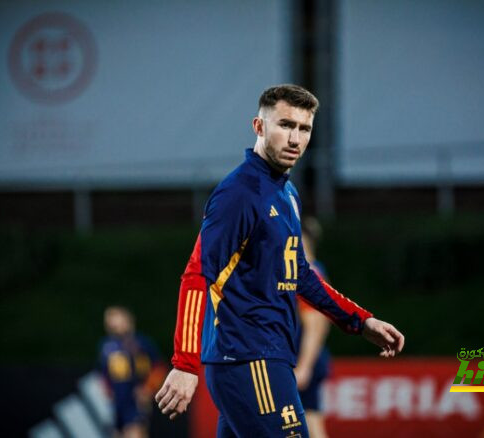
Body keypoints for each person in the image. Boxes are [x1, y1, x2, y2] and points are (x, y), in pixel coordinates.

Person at [155, 84, 404, 437]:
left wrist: (361, 321)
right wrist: (184, 363)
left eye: (304, 129)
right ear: (259, 127)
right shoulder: (239, 193)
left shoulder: (286, 193)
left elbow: (300, 275)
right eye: (285, 125)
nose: (295, 138)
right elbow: (198, 274)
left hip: (264, 356)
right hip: (249, 357)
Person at [99, 306, 166, 438]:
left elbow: (159, 368)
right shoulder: (106, 345)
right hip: (117, 401)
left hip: (135, 400)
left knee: (135, 432)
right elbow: (103, 373)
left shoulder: (142, 343)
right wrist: (107, 390)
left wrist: (147, 389)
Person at [294, 217, 331, 438]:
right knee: (310, 418)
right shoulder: (317, 270)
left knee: (309, 420)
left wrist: (304, 366)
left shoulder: (307, 274)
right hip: (310, 357)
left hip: (304, 358)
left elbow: (315, 325)